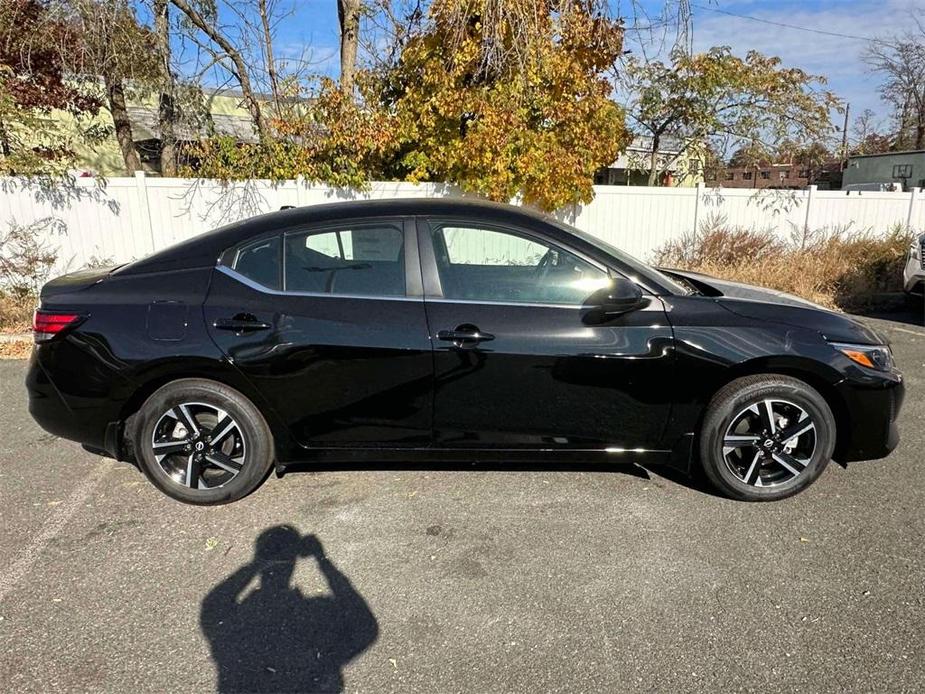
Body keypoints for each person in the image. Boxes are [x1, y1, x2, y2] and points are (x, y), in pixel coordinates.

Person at [201, 526, 378, 693]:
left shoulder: (230, 635)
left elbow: (213, 604)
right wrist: (322, 560)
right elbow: (365, 625)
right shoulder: (311, 626)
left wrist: (255, 565)